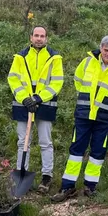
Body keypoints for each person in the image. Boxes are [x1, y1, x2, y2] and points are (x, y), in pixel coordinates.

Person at [51, 35, 108, 203]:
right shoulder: (87, 62)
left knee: (98, 152)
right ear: (101, 48)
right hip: (84, 114)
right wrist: (87, 101)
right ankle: (67, 186)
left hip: (105, 117)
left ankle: (90, 186)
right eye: (106, 50)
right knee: (76, 150)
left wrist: (105, 103)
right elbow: (78, 81)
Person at [7, 26, 64, 193]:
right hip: (22, 104)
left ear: (46, 39)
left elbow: (56, 82)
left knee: (45, 142)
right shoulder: (20, 56)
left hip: (45, 104)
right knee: (22, 142)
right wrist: (25, 98)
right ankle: (21, 173)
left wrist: (38, 98)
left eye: (42, 36)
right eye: (36, 35)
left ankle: (47, 177)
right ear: (31, 37)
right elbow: (13, 79)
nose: (39, 38)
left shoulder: (55, 58)